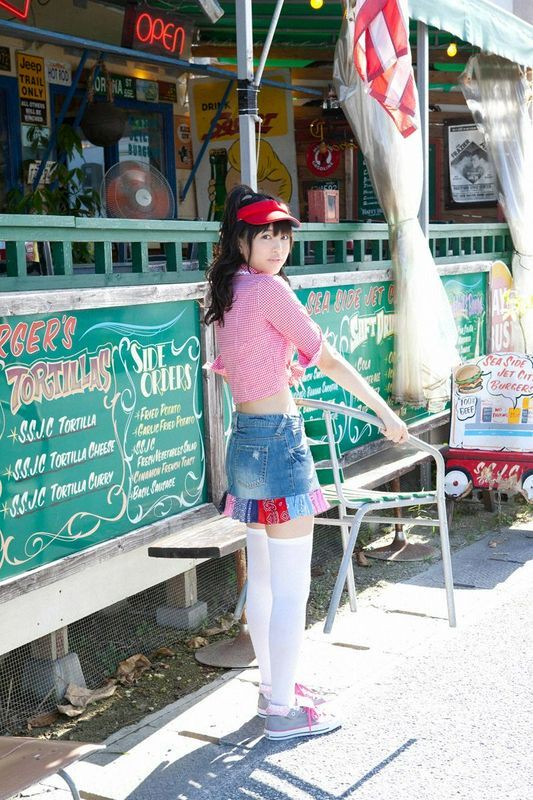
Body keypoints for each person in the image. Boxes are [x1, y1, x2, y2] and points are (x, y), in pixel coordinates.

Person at [204, 185, 408, 741]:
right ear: (241, 240)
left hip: (245, 440)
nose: (277, 246)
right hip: (279, 441)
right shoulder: (269, 289)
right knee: (291, 584)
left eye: (283, 235)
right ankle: (282, 712)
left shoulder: (228, 290)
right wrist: (385, 412)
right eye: (265, 236)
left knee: (265, 579)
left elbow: (250, 363)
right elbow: (329, 358)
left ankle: (275, 691)